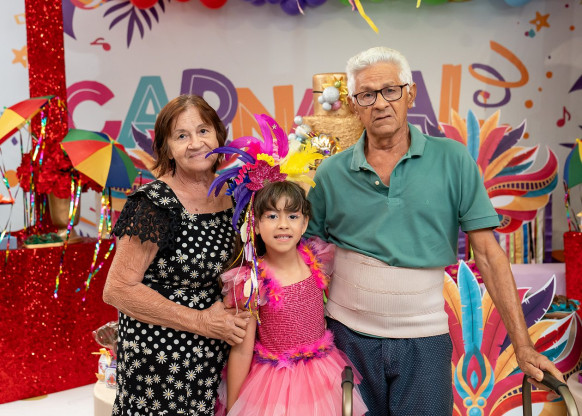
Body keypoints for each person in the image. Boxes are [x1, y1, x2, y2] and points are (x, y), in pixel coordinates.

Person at [304, 46, 564, 415]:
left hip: (425, 343)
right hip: (348, 340)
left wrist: (523, 346)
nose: (380, 103)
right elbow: (306, 263)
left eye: (390, 90)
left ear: (410, 94)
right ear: (353, 105)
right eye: (367, 95)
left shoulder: (453, 160)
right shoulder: (331, 172)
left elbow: (488, 255)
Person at [103, 94, 251, 415]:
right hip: (160, 362)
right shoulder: (153, 203)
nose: (196, 143)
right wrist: (201, 321)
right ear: (167, 149)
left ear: (218, 135)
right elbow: (117, 289)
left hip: (216, 356)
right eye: (182, 136)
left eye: (203, 131)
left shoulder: (234, 194)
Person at [215, 180, 368, 416]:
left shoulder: (317, 260)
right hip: (274, 384)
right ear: (255, 225)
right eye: (272, 216)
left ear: (305, 223)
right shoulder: (252, 282)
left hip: (322, 375)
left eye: (293, 216)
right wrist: (234, 408)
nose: (283, 225)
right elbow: (242, 351)